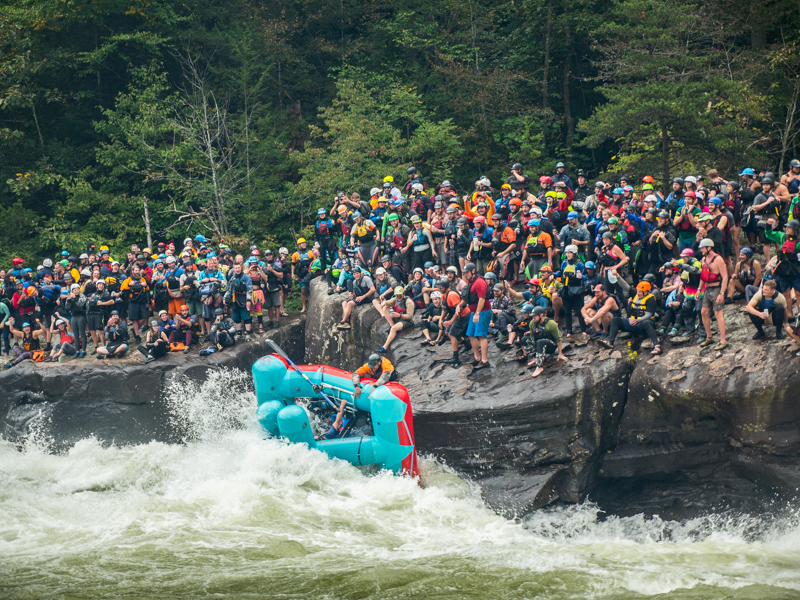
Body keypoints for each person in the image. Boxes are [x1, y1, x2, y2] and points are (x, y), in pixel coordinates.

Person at [600, 281, 661, 354]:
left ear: (646, 292)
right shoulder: (636, 294)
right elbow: (625, 286)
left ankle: (657, 346)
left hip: (644, 325)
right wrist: (617, 276)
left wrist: (637, 320)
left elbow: (648, 315)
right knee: (615, 320)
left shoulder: (650, 299)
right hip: (633, 323)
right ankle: (610, 342)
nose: (638, 293)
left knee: (646, 323)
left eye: (640, 292)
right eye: (638, 291)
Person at [698, 237, 728, 350]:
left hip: (716, 288)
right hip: (707, 288)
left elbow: (725, 277)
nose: (701, 250)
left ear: (709, 247)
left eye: (703, 248)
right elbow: (703, 275)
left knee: (718, 314)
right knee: (704, 312)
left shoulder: (718, 259)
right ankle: (709, 337)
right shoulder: (704, 259)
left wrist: (722, 293)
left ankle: (723, 340)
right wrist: (698, 289)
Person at [462, 262, 491, 370]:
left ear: (473, 271)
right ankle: (477, 358)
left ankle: (484, 361)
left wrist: (477, 313)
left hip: (483, 312)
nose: (465, 274)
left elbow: (482, 299)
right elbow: (467, 297)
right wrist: (459, 306)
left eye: (467, 272)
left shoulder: (479, 282)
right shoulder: (470, 282)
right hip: (474, 312)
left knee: (481, 335)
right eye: (465, 273)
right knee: (470, 334)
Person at [526, 306, 567, 378]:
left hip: (550, 345)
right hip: (538, 344)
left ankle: (539, 367)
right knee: (525, 339)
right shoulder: (532, 323)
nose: (533, 318)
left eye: (534, 316)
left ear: (541, 315)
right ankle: (535, 358)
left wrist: (560, 354)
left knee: (540, 342)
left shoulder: (551, 324)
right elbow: (532, 337)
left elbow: (558, 339)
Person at [376, 286, 415, 353]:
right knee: (385, 308)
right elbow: (388, 302)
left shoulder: (409, 302)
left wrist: (399, 315)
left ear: (403, 293)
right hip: (398, 317)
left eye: (400, 295)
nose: (398, 297)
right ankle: (391, 325)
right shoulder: (395, 299)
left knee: (394, 328)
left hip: (407, 321)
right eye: (397, 295)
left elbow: (410, 316)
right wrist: (384, 302)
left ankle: (384, 347)